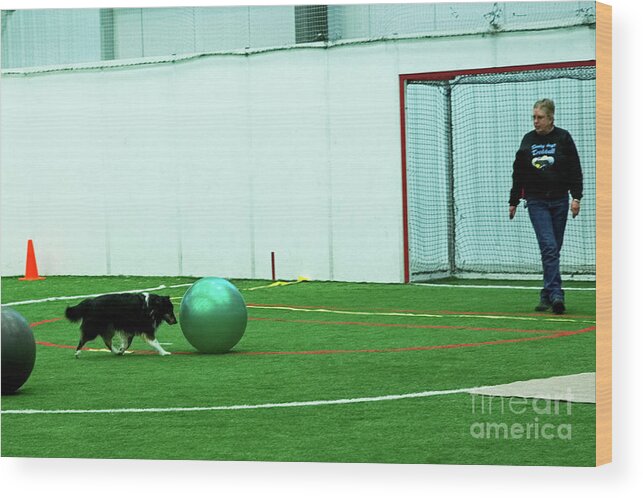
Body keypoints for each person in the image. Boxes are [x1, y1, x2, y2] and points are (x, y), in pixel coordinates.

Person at [509, 98, 583, 315]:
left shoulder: (563, 138)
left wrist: (576, 197)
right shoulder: (527, 141)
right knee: (549, 246)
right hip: (536, 201)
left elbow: (574, 169)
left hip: (559, 201)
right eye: (534, 117)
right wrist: (513, 201)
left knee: (553, 248)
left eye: (540, 117)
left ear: (551, 118)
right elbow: (519, 173)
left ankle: (546, 293)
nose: (535, 121)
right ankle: (557, 295)